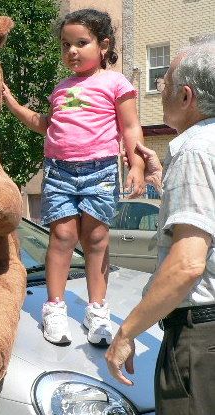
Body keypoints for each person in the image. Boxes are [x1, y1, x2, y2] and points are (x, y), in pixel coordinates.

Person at [3, 8, 145, 346]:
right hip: (59, 170)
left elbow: (130, 126)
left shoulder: (114, 82)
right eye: (66, 45)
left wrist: (137, 164)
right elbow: (44, 124)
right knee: (62, 237)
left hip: (100, 169)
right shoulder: (61, 89)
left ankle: (97, 311)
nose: (72, 51)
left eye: (82, 43)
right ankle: (55, 307)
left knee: (96, 240)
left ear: (104, 45)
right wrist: (10, 102)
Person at [105, 41, 215, 415]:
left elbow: (188, 265)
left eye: (164, 79)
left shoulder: (195, 149)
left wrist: (126, 331)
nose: (160, 87)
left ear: (186, 96)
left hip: (200, 339)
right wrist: (165, 179)